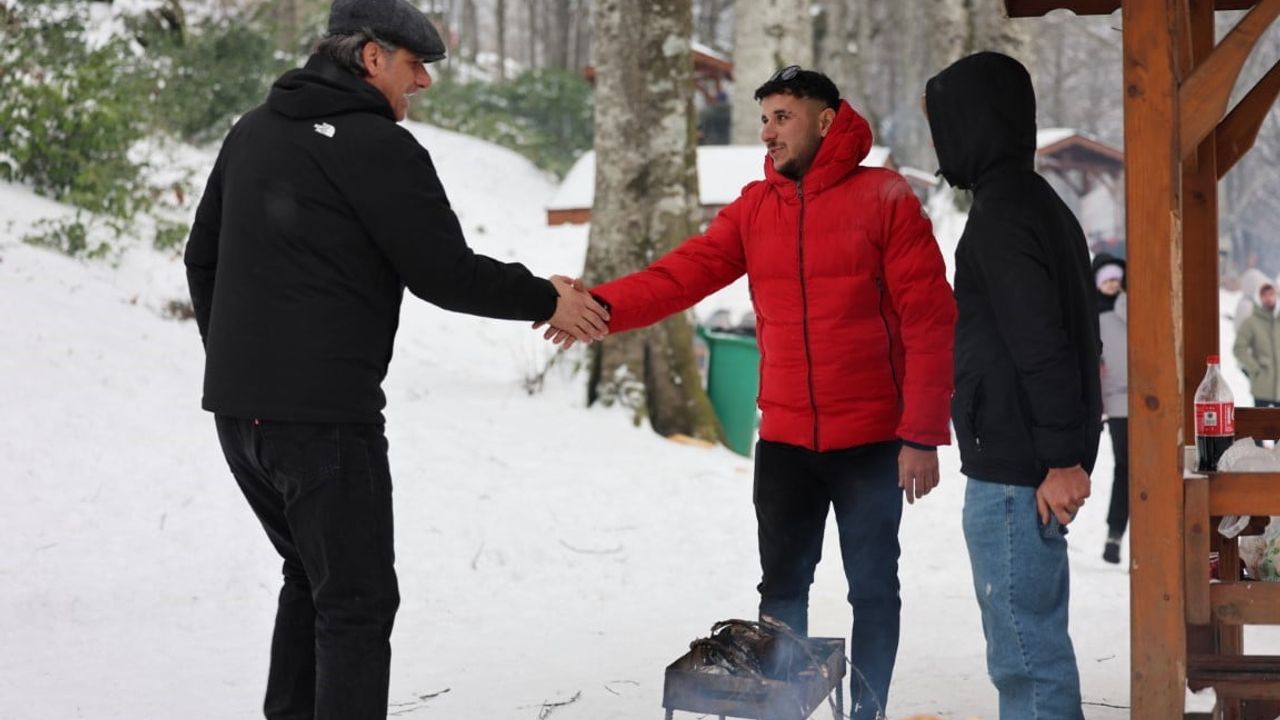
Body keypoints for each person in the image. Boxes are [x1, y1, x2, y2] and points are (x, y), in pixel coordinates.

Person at [183, 1, 609, 717]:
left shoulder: (251, 133)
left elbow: (202, 258)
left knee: (310, 578)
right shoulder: (376, 147)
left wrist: (241, 363)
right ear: (371, 57)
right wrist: (546, 297)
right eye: (416, 66)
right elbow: (443, 272)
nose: (425, 83)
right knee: (355, 603)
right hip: (323, 423)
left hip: (240, 418)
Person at [547, 66, 956, 720]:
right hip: (787, 441)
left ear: (826, 120)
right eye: (763, 119)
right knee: (782, 592)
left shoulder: (886, 198)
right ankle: (781, 709)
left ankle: (868, 713)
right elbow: (680, 276)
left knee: (875, 588)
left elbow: (931, 320)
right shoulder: (754, 208)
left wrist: (922, 433)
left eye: (783, 117)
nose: (768, 132)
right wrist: (598, 306)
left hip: (872, 442)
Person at [925, 51, 1101, 720]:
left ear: (976, 123)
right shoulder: (1037, 203)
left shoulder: (1003, 213)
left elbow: (1045, 346)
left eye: (945, 124)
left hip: (1018, 472)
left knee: (1026, 660)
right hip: (1030, 461)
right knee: (1034, 652)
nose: (942, 144)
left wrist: (1061, 458)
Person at [1097, 262, 1129, 564]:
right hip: (1117, 406)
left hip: (1144, 401)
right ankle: (1115, 534)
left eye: (1117, 280)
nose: (1112, 285)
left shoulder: (1129, 308)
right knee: (1125, 469)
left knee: (1135, 470)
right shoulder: (1095, 316)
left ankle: (1118, 534)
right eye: (1106, 281)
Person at [1233, 277, 1280, 408]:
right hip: (1262, 386)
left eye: (1271, 294)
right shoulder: (1251, 322)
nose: (1268, 298)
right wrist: (1255, 369)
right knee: (1260, 424)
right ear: (1259, 298)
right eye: (1264, 295)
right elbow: (1239, 348)